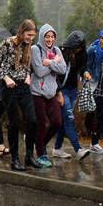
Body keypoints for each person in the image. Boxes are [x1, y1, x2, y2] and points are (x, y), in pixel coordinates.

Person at [0, 20, 42, 169]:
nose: (30, 38)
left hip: (24, 85)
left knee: (32, 120)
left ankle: (29, 156)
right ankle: (15, 159)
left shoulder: (28, 45)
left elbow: (26, 63)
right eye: (28, 35)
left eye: (33, 36)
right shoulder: (8, 43)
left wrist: (28, 75)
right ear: (22, 32)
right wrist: (6, 77)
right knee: (14, 123)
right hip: (9, 86)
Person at [29, 23, 69, 168]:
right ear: (42, 36)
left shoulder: (57, 50)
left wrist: (49, 62)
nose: (50, 39)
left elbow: (63, 69)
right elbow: (39, 72)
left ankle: (40, 144)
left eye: (52, 37)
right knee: (41, 123)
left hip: (51, 92)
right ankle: (41, 154)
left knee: (57, 122)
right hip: (37, 92)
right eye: (47, 36)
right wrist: (54, 64)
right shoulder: (35, 49)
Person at [53, 31, 91, 161]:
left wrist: (85, 72)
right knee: (69, 118)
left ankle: (57, 148)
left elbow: (82, 67)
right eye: (76, 48)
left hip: (73, 90)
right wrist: (58, 92)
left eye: (80, 48)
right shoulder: (61, 53)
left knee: (64, 121)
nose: (78, 50)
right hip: (61, 90)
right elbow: (55, 74)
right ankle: (78, 149)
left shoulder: (82, 54)